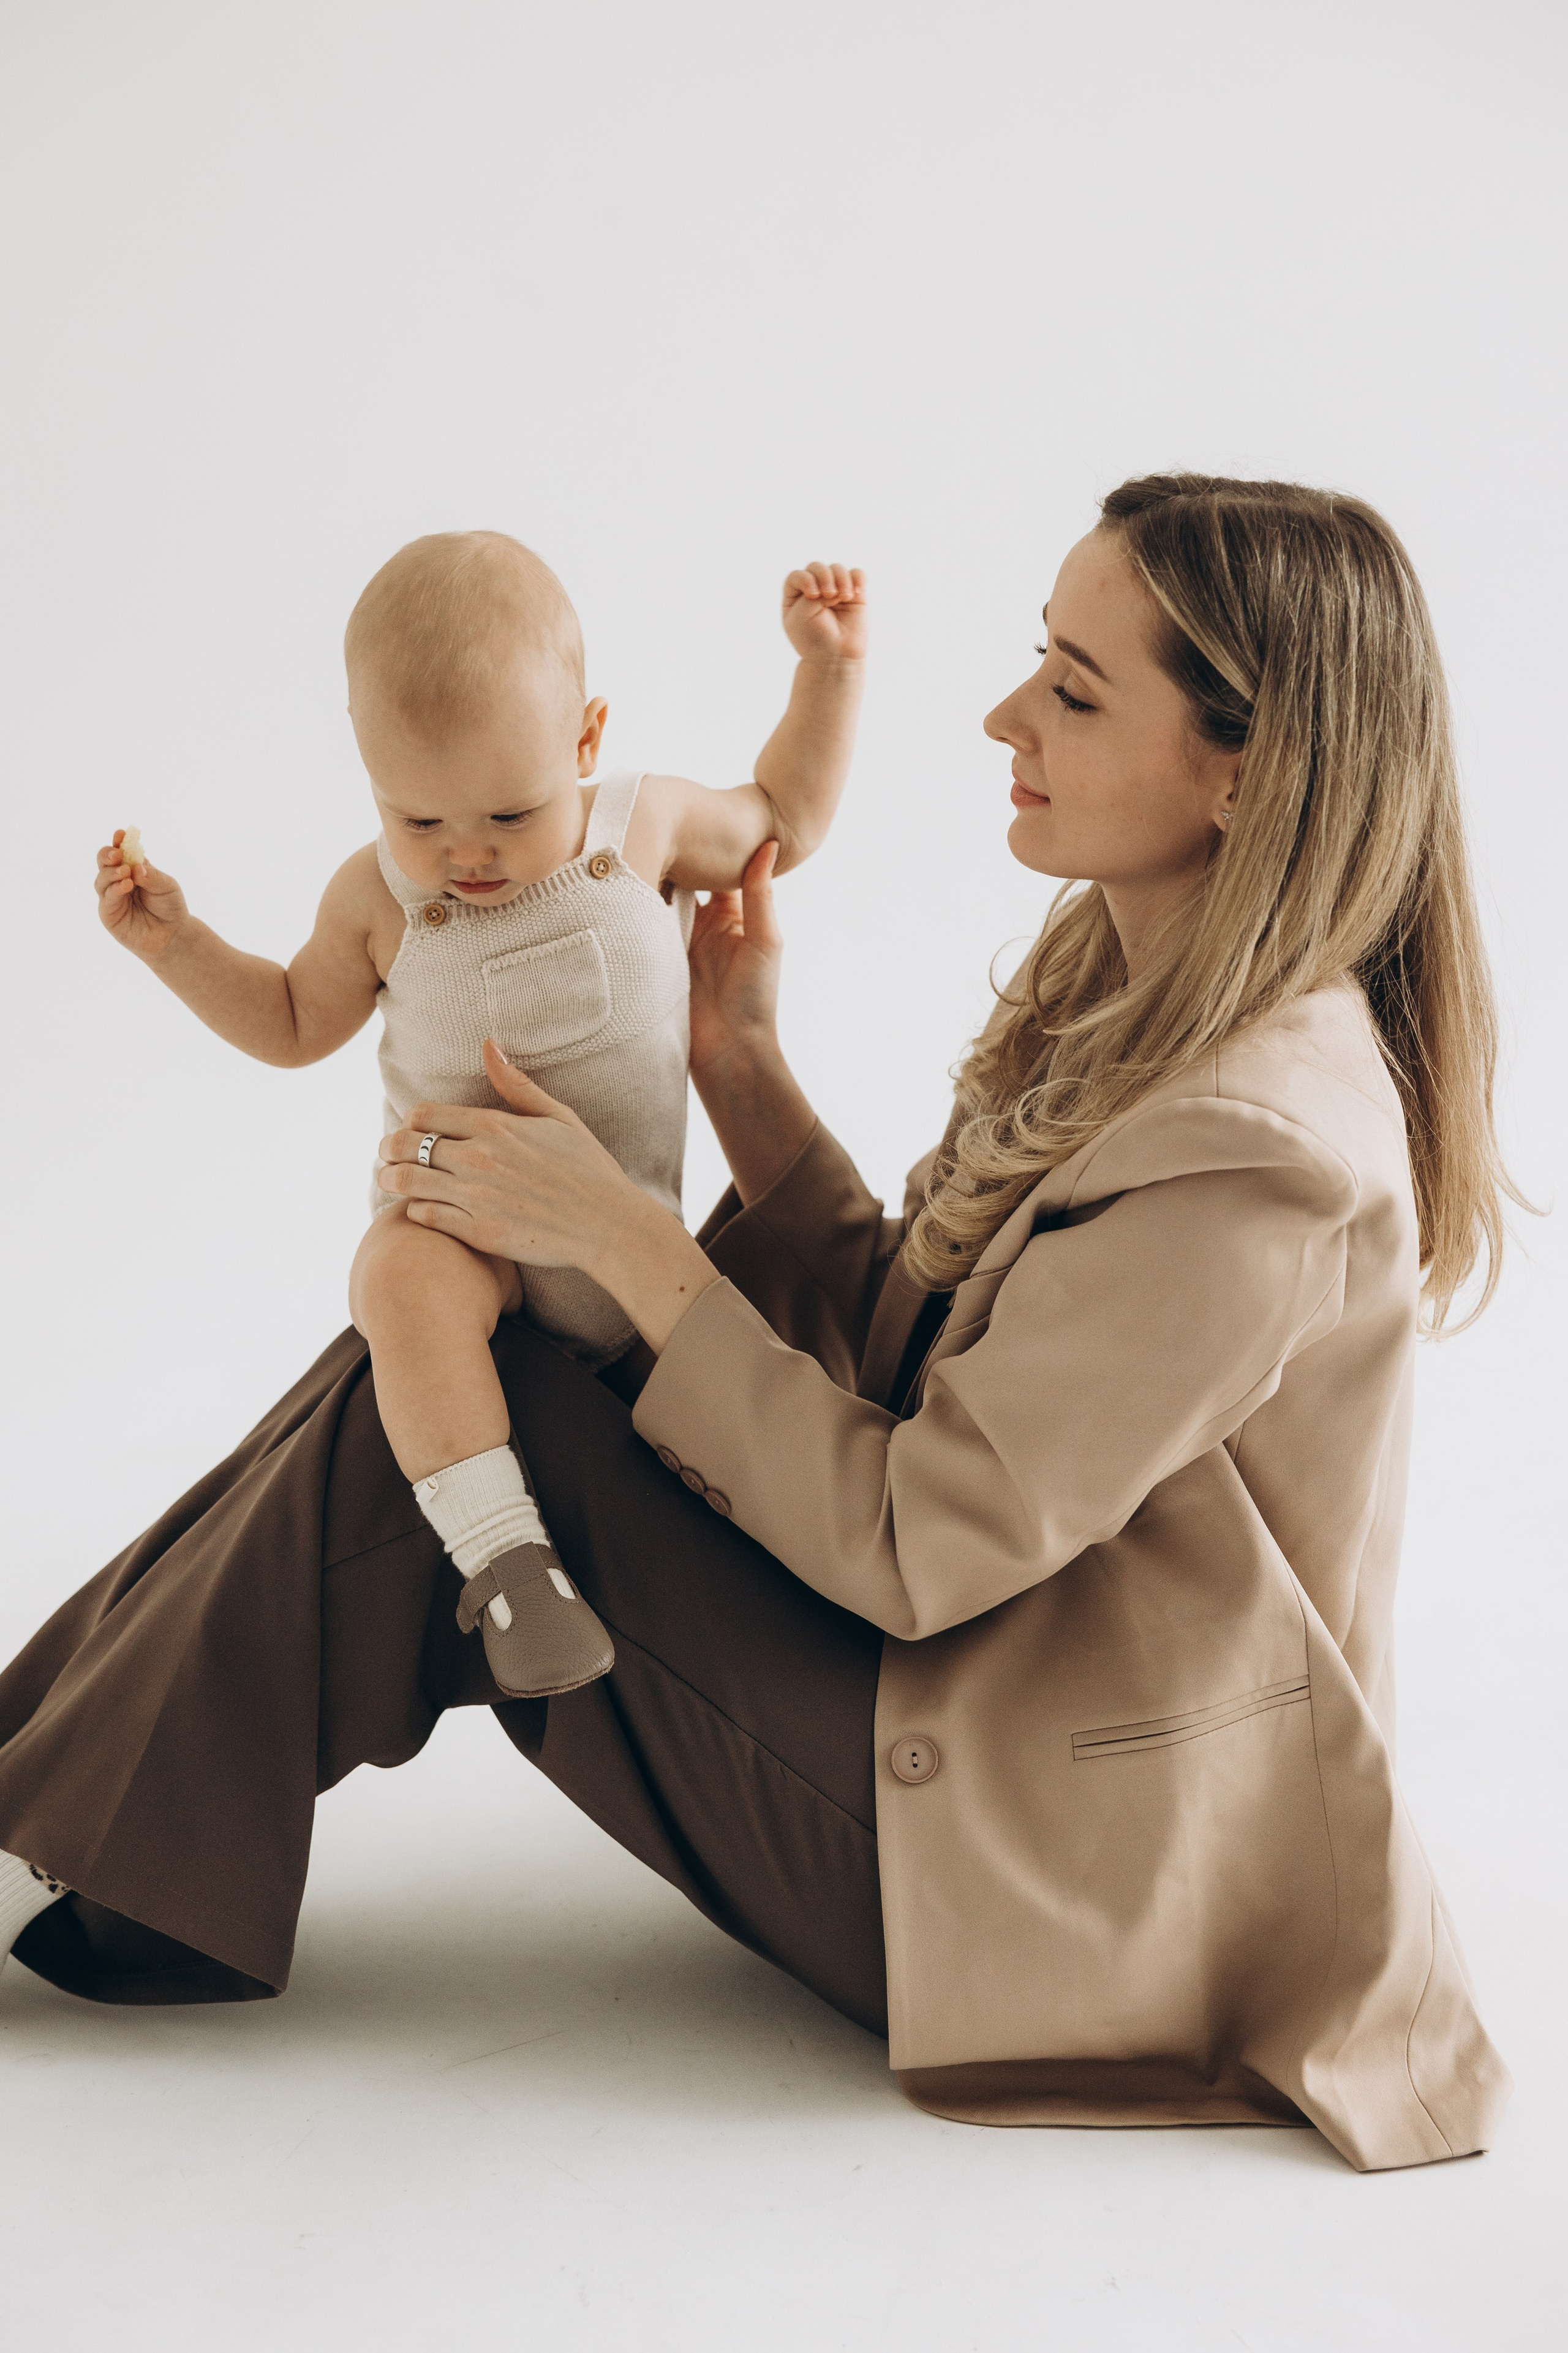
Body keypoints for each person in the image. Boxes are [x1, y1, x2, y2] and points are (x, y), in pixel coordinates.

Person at [0, 475, 1515, 2174]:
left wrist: (630, 1245)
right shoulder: (1138, 969)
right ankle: (60, 1819)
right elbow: (938, 1358)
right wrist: (745, 1074)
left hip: (1081, 1876)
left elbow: (925, 1534)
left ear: (1246, 771)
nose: (1005, 712)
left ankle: (61, 1829)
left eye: (1077, 693)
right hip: (984, 1706)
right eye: (1040, 658)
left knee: (483, 1388)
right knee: (446, 1367)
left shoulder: (1260, 1152)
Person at [88, 533, 865, 1696]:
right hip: (467, 1244)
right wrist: (179, 946)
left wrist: (827, 671)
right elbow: (297, 1023)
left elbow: (784, 822)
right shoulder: (376, 896)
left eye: (510, 815)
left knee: (756, 1413)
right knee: (396, 1275)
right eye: (421, 821)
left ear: (587, 741)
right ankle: (505, 1563)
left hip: (636, 1260)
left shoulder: (640, 827)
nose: (466, 856)